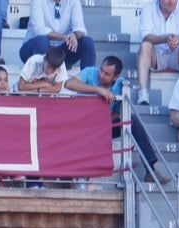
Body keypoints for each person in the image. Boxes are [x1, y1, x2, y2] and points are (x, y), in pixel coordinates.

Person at [65, 55, 172, 185]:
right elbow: (69, 83)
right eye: (101, 70)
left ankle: (151, 170)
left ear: (115, 77)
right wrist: (98, 90)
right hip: (83, 125)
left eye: (107, 74)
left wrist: (103, 121)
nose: (101, 75)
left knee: (133, 121)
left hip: (104, 125)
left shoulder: (121, 84)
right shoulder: (90, 72)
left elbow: (119, 113)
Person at [136, 0, 179, 105]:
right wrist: (165, 39)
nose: (171, 2)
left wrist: (178, 39)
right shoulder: (148, 8)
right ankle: (143, 92)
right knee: (145, 45)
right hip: (157, 55)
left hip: (176, 55)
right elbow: (145, 36)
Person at [19, 0, 94, 68]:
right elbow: (39, 30)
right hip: (34, 50)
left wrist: (74, 35)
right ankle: (41, 79)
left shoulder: (73, 1)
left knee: (87, 42)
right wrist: (64, 37)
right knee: (42, 40)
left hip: (60, 52)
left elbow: (80, 28)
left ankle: (87, 81)